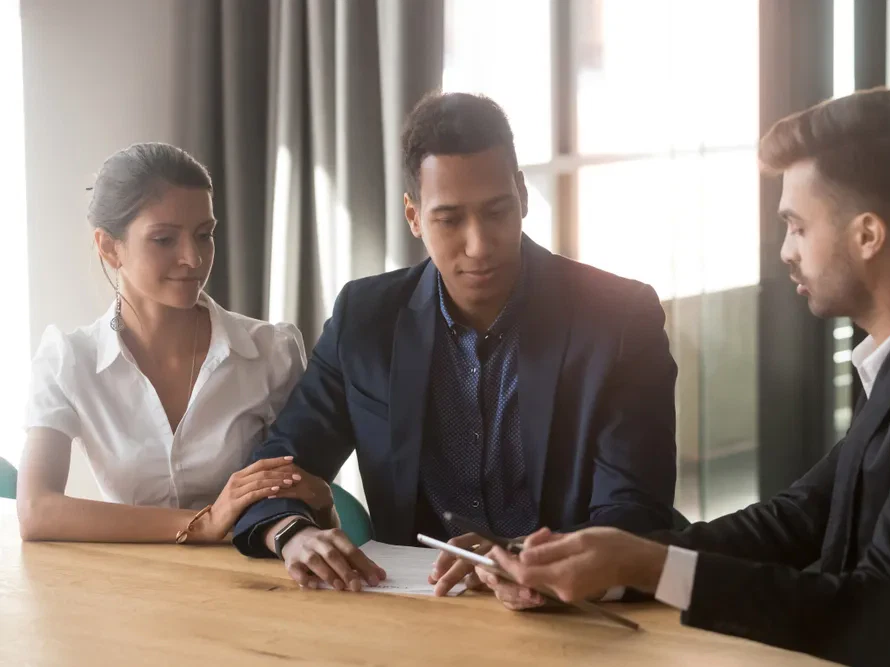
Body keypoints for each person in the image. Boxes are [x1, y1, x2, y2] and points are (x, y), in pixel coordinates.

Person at [489, 88, 890, 666]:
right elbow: (796, 520)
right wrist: (602, 565)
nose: (785, 252)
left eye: (797, 227)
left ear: (867, 235)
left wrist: (647, 565)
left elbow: (870, 616)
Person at [232, 92, 679, 599]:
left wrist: (514, 555)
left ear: (522, 195)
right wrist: (292, 533)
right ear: (413, 216)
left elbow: (635, 513)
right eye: (449, 220)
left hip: (569, 608)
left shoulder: (619, 319)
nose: (479, 245)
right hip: (418, 607)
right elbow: (276, 468)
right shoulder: (366, 318)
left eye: (497, 211)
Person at [18, 143, 334, 544]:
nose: (193, 259)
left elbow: (308, 502)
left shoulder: (271, 353)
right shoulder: (68, 360)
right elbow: (37, 510)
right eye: (164, 239)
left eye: (204, 235)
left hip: (249, 574)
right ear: (109, 247)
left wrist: (315, 497)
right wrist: (204, 522)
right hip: (131, 577)